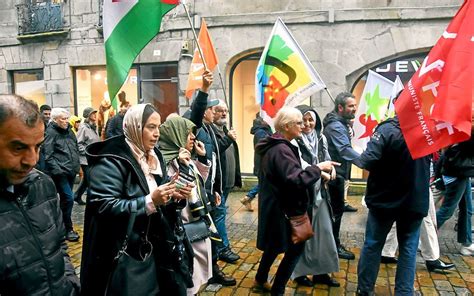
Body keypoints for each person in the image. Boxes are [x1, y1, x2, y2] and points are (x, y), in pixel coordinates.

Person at [80, 104, 194, 295]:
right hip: (125, 255)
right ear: (134, 126)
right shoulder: (111, 160)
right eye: (150, 127)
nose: (157, 133)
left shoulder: (154, 155)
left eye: (158, 127)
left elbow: (158, 194)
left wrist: (173, 195)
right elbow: (104, 207)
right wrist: (150, 201)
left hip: (157, 247)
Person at [0, 95, 80, 295]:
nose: (32, 160)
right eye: (18, 148)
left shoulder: (42, 184)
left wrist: (70, 283)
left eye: (37, 147)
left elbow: (59, 243)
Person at [253, 106, 337, 295]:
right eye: (298, 122)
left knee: (274, 247)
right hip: (285, 209)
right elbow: (295, 179)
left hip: (278, 207)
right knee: (295, 250)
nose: (303, 126)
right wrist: (318, 168)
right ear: (287, 126)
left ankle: (260, 278)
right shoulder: (282, 149)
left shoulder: (279, 145)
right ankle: (278, 290)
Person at [355, 114, 430, 295]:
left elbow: (366, 160)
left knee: (373, 244)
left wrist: (357, 152)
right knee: (408, 249)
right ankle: (404, 292)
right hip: (414, 200)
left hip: (384, 199)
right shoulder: (428, 130)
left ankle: (364, 290)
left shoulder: (386, 129)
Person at [159, 116, 216, 295]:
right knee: (189, 273)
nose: (192, 137)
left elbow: (198, 183)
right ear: (175, 135)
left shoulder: (185, 157)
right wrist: (183, 166)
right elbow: (178, 190)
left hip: (196, 223)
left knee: (198, 273)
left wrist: (201, 158)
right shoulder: (165, 162)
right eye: (187, 133)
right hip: (183, 227)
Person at [291, 105, 340, 288]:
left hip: (321, 192)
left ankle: (321, 272)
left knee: (324, 233)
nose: (307, 124)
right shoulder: (295, 141)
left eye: (311, 119)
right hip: (304, 194)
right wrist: (320, 172)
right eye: (303, 120)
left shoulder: (321, 137)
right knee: (303, 234)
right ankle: (299, 273)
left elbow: (326, 158)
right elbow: (300, 164)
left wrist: (332, 168)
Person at [323, 92, 362, 260]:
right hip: (334, 175)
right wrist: (367, 163)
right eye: (351, 106)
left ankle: (333, 243)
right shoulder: (335, 126)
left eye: (355, 105)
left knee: (336, 211)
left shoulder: (342, 123)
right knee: (335, 212)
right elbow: (344, 150)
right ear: (340, 107)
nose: (355, 108)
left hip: (339, 174)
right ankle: (333, 246)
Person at [43, 107, 81, 242]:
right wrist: (59, 171)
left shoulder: (70, 131)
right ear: (55, 120)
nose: (66, 121)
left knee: (65, 201)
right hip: (61, 173)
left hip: (71, 171)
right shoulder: (51, 132)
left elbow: (75, 148)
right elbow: (48, 155)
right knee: (69, 199)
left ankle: (60, 226)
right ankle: (68, 228)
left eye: (66, 118)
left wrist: (77, 166)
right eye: (63, 119)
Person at [211, 100, 242, 263]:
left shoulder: (225, 131)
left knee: (220, 214)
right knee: (219, 215)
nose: (224, 113)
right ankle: (223, 248)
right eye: (220, 110)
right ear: (212, 112)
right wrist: (228, 139)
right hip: (218, 185)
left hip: (227, 183)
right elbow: (214, 151)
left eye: (226, 111)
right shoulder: (211, 132)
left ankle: (218, 246)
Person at [436, 133, 474, 256]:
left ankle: (467, 243)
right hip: (458, 173)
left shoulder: (460, 130)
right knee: (447, 210)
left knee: (467, 208)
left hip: (462, 172)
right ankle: (423, 238)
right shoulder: (465, 132)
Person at [240, 113, 272, 211]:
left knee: (264, 184)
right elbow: (264, 148)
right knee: (265, 183)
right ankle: (249, 197)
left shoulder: (263, 131)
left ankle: (248, 198)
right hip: (263, 164)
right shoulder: (261, 132)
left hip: (263, 164)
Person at [74, 107, 100, 205]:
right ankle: (93, 201)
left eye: (95, 113)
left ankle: (77, 195)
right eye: (93, 113)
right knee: (91, 180)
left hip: (93, 158)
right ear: (88, 116)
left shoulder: (94, 127)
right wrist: (87, 152)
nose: (95, 115)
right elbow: (78, 144)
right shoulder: (83, 128)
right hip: (85, 159)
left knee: (86, 180)